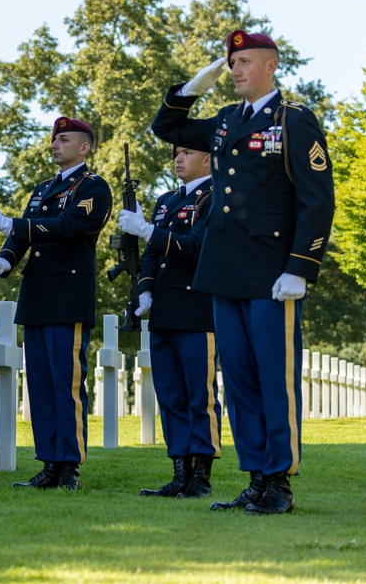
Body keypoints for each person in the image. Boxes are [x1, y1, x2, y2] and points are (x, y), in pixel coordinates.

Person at [150, 30, 335, 514]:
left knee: (274, 378)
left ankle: (279, 481)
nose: (235, 70)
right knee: (239, 381)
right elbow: (166, 127)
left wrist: (301, 267)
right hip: (223, 272)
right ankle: (256, 477)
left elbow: (317, 201)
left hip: (272, 275)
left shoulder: (293, 121)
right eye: (231, 63)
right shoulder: (227, 120)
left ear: (271, 66)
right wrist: (192, 88)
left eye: (245, 62)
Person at [0, 117, 112, 490]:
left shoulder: (94, 188)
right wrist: (4, 260)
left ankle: (69, 465)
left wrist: (7, 223)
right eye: (54, 139)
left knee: (65, 385)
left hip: (67, 296)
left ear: (84, 147)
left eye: (63, 139)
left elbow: (68, 226)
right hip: (37, 295)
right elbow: (24, 235)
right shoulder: (41, 190)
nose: (54, 144)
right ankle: (49, 463)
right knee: (39, 385)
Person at [118, 143, 220, 498]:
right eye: (176, 153)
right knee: (170, 396)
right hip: (163, 312)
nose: (178, 158)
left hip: (196, 309)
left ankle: (201, 477)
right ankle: (179, 472)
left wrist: (147, 230)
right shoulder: (166, 201)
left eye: (187, 153)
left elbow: (196, 246)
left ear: (208, 159)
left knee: (199, 396)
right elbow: (151, 257)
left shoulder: (216, 195)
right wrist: (145, 293)